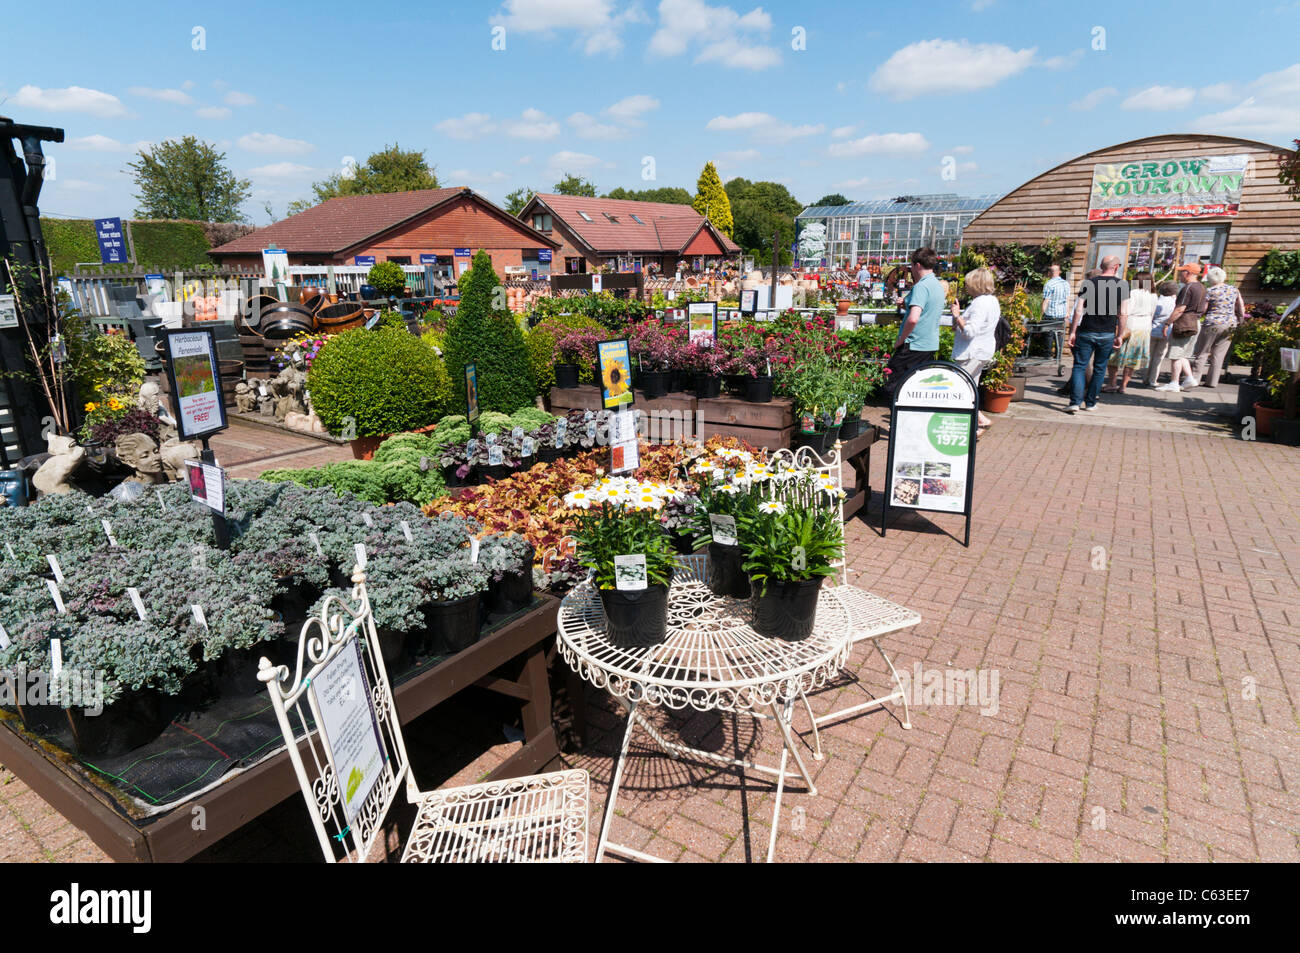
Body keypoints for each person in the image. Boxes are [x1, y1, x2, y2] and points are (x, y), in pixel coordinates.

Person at [1065, 255, 1128, 412]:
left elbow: (1079, 309)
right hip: (1107, 332)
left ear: (1101, 266)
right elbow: (1123, 312)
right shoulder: (1122, 285)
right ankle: (1091, 403)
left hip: (1086, 330)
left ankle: (1075, 402)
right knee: (1100, 367)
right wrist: (1119, 334)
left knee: (1080, 366)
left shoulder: (1089, 283)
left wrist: (1073, 331)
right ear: (1117, 267)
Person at [885, 247, 944, 395]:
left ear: (917, 265)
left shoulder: (921, 286)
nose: (910, 269)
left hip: (914, 345)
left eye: (911, 265)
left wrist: (901, 339)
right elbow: (927, 308)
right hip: (928, 344)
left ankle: (898, 416)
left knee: (894, 384)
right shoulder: (937, 285)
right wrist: (906, 304)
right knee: (917, 387)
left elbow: (913, 319)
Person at [950, 266, 1000, 434]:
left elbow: (971, 331)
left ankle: (967, 425)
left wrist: (957, 316)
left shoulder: (980, 304)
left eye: (968, 283)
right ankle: (979, 421)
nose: (966, 286)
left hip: (971, 352)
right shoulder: (992, 301)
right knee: (971, 387)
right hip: (982, 351)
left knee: (960, 387)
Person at [1189, 266, 1245, 388]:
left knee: (1202, 352)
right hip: (1230, 324)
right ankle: (1212, 382)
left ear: (1210, 278)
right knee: (1219, 354)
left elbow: (1203, 308)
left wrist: (1197, 317)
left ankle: (1194, 380)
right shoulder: (1234, 290)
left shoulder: (1210, 291)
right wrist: (1240, 320)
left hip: (1212, 323)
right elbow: (1240, 306)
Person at [1156, 263, 1207, 392]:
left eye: (1182, 272)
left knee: (1175, 354)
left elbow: (1180, 309)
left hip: (1184, 323)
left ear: (1188, 273)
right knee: (1183, 354)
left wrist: (1167, 323)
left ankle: (1174, 382)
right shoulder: (1202, 287)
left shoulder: (1187, 288)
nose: (1179, 275)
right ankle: (1189, 378)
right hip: (1195, 322)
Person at [1103, 271, 1156, 394]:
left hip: (1130, 325)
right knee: (1133, 358)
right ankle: (1123, 386)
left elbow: (1125, 311)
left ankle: (1112, 383)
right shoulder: (1153, 295)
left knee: (1114, 355)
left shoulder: (1132, 293)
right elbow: (1152, 313)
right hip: (1145, 327)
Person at [1145, 280, 1179, 386]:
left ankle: (1145, 377)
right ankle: (1153, 380)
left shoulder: (1157, 301)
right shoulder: (1174, 303)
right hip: (1166, 332)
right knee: (1159, 357)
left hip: (1153, 330)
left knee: (1149, 356)